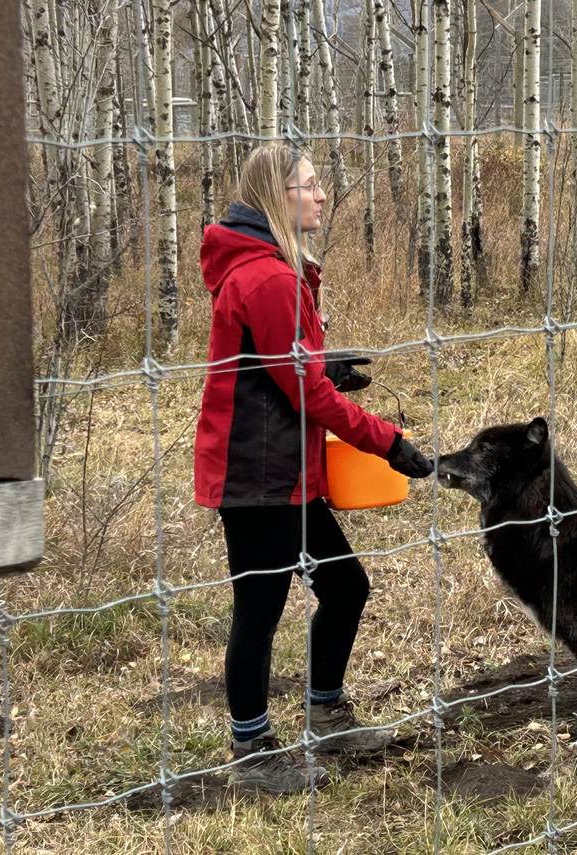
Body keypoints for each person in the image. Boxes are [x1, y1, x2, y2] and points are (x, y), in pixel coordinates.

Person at [193, 144, 434, 793]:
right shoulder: (267, 278)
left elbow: (286, 367)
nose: (322, 194)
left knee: (345, 586)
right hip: (258, 475)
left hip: (286, 469)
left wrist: (326, 366)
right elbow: (306, 393)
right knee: (260, 609)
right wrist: (388, 442)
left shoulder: (273, 270)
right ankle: (251, 752)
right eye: (309, 184)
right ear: (278, 197)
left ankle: (325, 714)